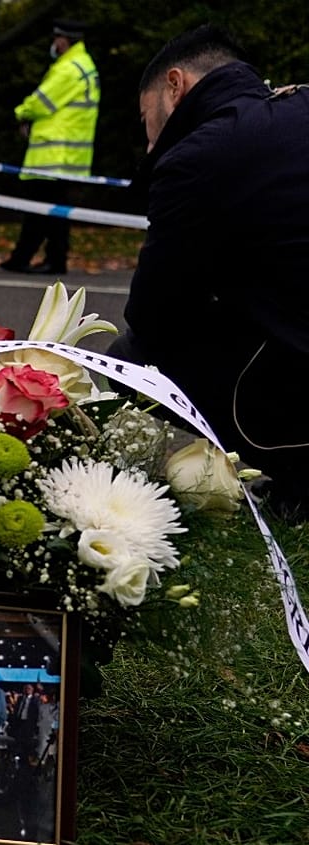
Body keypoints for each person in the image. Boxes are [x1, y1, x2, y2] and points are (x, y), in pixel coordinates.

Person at [109, 25, 309, 506]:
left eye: (145, 120)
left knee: (126, 357)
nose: (150, 141)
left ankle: (285, 472)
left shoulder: (198, 157)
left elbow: (155, 314)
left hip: (295, 375)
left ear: (174, 86)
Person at [0, 19, 101, 276]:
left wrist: (20, 112)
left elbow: (40, 103)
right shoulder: (83, 66)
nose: (54, 44)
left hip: (53, 153)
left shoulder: (69, 68)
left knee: (45, 211)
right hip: (67, 154)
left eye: (57, 39)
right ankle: (26, 257)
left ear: (65, 40)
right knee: (48, 211)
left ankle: (47, 260)